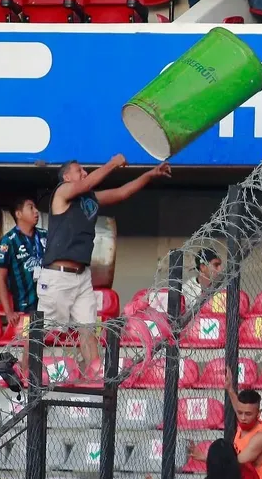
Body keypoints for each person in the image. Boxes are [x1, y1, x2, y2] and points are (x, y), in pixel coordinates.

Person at [39, 157, 170, 370]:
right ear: (66, 177)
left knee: (88, 330)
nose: (84, 172)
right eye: (79, 170)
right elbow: (87, 183)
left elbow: (122, 193)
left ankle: (94, 378)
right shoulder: (62, 192)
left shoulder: (89, 199)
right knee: (40, 331)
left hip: (82, 276)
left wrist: (149, 174)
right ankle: (23, 374)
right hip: (58, 275)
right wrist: (112, 163)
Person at [0, 197, 47, 330]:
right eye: (31, 208)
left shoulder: (46, 236)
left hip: (49, 304)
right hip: (24, 308)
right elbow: (0, 277)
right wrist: (8, 311)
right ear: (18, 214)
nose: (36, 211)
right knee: (31, 346)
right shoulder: (8, 241)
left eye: (36, 208)